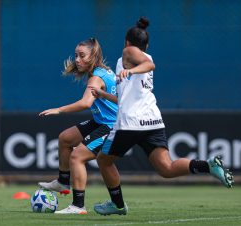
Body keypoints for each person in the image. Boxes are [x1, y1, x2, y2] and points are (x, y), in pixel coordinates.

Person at [90, 17, 234, 216]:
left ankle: (117, 204)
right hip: (153, 121)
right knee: (166, 168)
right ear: (147, 44)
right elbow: (127, 97)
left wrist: (130, 70)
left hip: (131, 123)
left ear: (127, 43)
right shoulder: (132, 62)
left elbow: (150, 64)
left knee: (104, 160)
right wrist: (105, 95)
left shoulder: (129, 53)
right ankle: (207, 166)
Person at [38, 37, 155, 214]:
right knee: (65, 138)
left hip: (111, 125)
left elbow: (85, 103)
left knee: (77, 157)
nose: (77, 60)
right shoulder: (104, 72)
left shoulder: (96, 78)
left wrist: (59, 110)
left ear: (93, 56)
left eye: (82, 56)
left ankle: (78, 206)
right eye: (76, 55)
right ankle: (63, 181)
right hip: (101, 121)